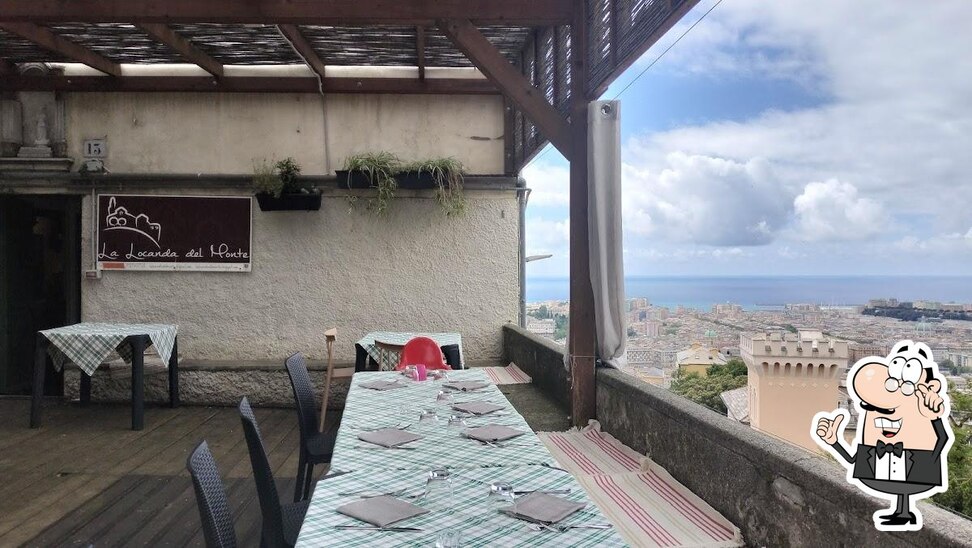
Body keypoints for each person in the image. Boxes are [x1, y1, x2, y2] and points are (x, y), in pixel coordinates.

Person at [813, 340, 952, 531]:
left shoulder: (924, 412)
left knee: (905, 487)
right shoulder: (874, 444)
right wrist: (834, 441)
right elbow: (857, 461)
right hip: (894, 464)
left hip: (913, 461)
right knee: (904, 488)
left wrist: (929, 459)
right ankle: (901, 511)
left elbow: (942, 438)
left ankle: (903, 512)